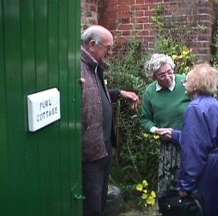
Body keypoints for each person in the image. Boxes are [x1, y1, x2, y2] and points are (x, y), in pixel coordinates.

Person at [81, 25, 140, 216]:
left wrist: (119, 93)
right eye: (108, 47)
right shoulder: (77, 68)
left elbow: (96, 95)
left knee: (101, 197)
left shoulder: (94, 67)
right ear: (92, 44)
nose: (110, 52)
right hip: (91, 148)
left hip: (104, 143)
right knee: (92, 202)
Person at [165, 63, 218, 216]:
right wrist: (175, 134)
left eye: (186, 81)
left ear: (195, 85)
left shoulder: (195, 108)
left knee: (203, 208)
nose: (184, 84)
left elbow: (194, 151)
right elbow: (209, 137)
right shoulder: (215, 104)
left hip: (207, 167)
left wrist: (185, 185)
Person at [140, 53, 191, 201]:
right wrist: (155, 130)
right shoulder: (150, 92)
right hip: (168, 146)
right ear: (154, 76)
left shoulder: (185, 82)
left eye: (170, 72)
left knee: (189, 183)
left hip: (189, 142)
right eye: (162, 75)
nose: (168, 77)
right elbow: (145, 120)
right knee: (168, 186)